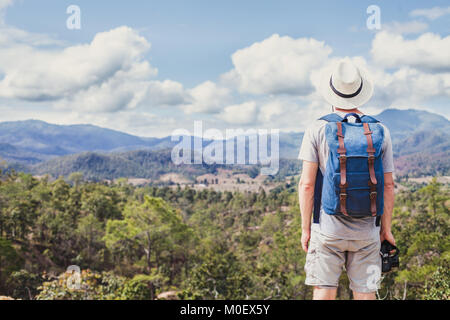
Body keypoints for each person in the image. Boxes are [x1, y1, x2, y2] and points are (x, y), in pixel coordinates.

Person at [298, 59, 396, 300]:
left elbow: (307, 185)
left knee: (323, 290)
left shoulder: (316, 128)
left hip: (328, 229)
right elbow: (389, 185)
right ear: (361, 93)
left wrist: (305, 229)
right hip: (367, 232)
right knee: (365, 293)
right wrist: (386, 230)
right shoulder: (380, 130)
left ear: (331, 94)